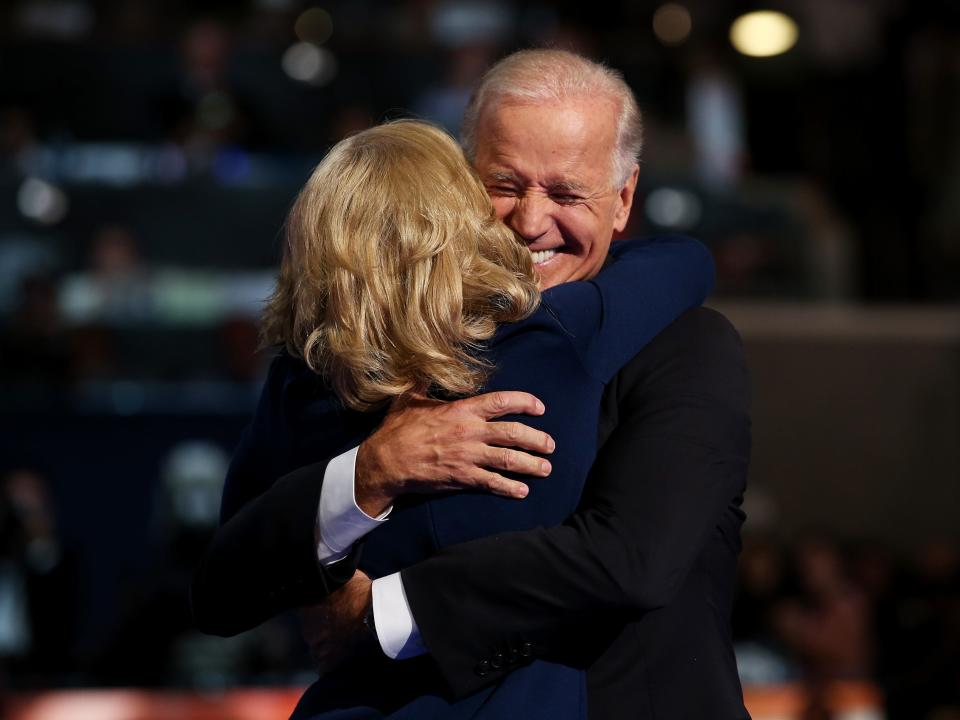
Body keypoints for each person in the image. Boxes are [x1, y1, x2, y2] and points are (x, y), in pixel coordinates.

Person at [194, 49, 751, 719]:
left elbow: (629, 561)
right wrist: (368, 472)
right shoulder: (337, 362)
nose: (530, 220)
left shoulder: (681, 344)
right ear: (458, 184)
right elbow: (221, 587)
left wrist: (381, 612)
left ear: (624, 198)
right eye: (505, 183)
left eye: (567, 192)